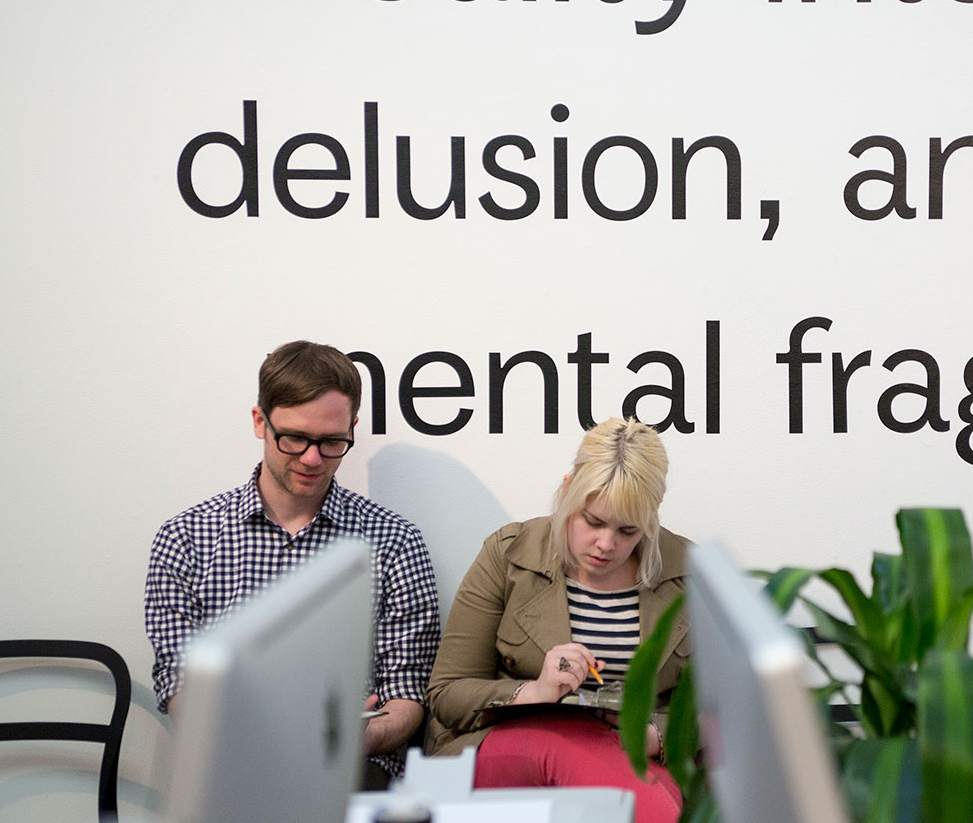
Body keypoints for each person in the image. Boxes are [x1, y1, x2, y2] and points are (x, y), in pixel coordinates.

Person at [144, 340, 440, 785]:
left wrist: (362, 736)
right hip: (234, 765)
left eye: (332, 442)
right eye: (295, 438)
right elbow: (179, 684)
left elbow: (407, 691)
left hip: (353, 771)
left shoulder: (395, 541)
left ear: (352, 428)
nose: (312, 458)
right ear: (259, 422)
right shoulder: (185, 540)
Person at [425, 418, 690, 823]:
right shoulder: (509, 553)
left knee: (654, 791)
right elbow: (447, 693)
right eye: (593, 521)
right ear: (567, 490)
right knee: (576, 753)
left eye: (628, 530)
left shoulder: (689, 572)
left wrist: (653, 734)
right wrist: (535, 691)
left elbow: (719, 709)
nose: (606, 544)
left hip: (630, 757)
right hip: (505, 745)